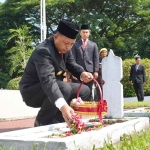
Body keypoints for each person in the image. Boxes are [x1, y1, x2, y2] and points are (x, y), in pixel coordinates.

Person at [19, 19, 93, 127]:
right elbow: (48, 80)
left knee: (85, 90)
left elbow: (71, 64)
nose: (68, 47)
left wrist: (82, 74)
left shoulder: (66, 49)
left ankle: (60, 119)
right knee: (64, 88)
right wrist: (63, 106)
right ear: (55, 37)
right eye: (66, 43)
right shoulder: (43, 51)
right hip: (32, 91)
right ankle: (41, 122)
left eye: (72, 44)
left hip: (54, 86)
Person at [71, 24, 99, 100]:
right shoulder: (75, 45)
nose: (85, 34)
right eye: (83, 32)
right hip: (78, 71)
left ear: (89, 33)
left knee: (89, 90)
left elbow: (96, 58)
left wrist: (96, 71)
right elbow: (73, 58)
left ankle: (88, 108)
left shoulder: (93, 45)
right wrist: (73, 71)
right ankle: (78, 107)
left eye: (86, 32)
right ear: (80, 33)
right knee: (78, 90)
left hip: (90, 70)